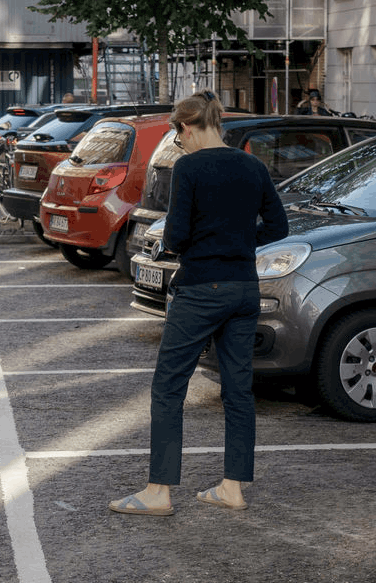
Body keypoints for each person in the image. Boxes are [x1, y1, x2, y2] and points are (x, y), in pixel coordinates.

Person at [110, 92, 289, 516]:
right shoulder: (253, 165)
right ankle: (233, 487)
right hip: (245, 288)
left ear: (186, 128)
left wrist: (199, 244)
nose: (180, 142)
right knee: (238, 390)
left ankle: (158, 492)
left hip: (200, 290)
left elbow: (175, 236)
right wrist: (240, 242)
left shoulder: (188, 167)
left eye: (178, 134)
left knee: (168, 387)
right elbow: (278, 225)